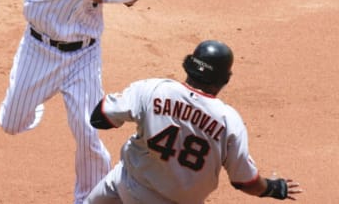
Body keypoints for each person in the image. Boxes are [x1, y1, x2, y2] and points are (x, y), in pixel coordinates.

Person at [0, 0, 180, 204]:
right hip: (39, 51)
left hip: (84, 55)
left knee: (88, 131)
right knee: (11, 124)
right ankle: (35, 97)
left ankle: (88, 199)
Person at [85, 40, 303, 204]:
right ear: (224, 80)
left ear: (188, 65)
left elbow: (100, 117)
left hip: (127, 186)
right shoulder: (229, 122)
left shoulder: (152, 89)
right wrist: (273, 188)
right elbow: (245, 182)